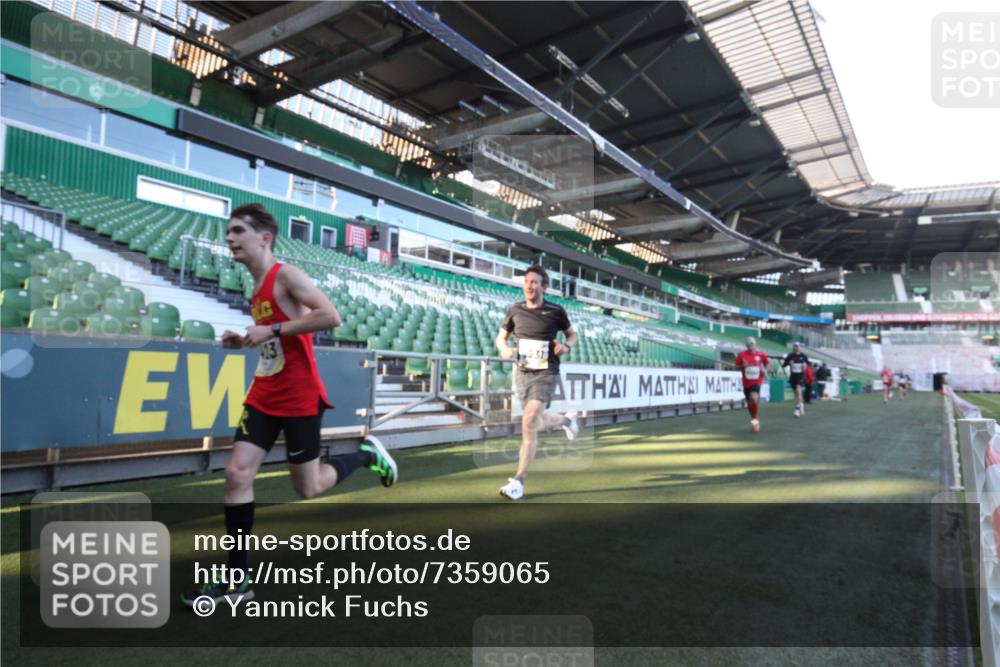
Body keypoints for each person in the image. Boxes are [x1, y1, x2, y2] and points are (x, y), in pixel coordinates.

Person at [182, 203, 397, 608]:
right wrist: (244, 341)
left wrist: (273, 329)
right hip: (264, 393)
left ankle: (366, 456)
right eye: (229, 231)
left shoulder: (287, 275)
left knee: (308, 488)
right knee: (236, 474)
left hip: (299, 396)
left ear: (264, 238)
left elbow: (330, 316)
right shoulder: (255, 287)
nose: (230, 238)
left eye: (238, 231)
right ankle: (238, 580)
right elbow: (274, 341)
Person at [495, 264, 579, 501]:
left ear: (544, 287)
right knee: (532, 422)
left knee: (529, 421)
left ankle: (519, 481)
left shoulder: (555, 310)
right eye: (526, 282)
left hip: (546, 372)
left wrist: (566, 346)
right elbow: (501, 338)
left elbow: (573, 335)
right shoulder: (515, 310)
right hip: (522, 373)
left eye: (534, 282)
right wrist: (504, 349)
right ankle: (566, 420)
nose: (529, 286)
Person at [734, 337, 769, 432]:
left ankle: (755, 421)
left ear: (755, 344)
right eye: (748, 344)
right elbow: (736, 367)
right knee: (749, 404)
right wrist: (742, 366)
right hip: (746, 382)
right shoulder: (741, 355)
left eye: (752, 344)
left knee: (754, 398)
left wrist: (765, 370)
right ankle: (754, 420)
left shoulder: (761, 354)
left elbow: (767, 362)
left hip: (757, 381)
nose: (750, 346)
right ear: (746, 345)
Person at [782, 342, 810, 417]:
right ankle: (801, 404)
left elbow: (808, 364)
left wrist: (805, 366)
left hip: (800, 376)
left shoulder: (803, 356)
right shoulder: (790, 355)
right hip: (793, 376)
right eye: (794, 346)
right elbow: (783, 365)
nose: (796, 348)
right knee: (797, 394)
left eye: (797, 346)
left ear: (800, 347)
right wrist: (789, 363)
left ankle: (797, 409)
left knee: (798, 389)